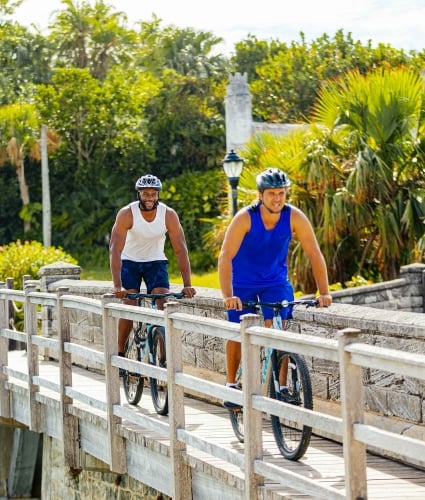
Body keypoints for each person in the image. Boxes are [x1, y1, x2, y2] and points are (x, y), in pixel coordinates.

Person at [218, 167, 332, 407]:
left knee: (278, 330)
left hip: (275, 281)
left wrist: (324, 292)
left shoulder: (294, 217)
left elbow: (314, 253)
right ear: (260, 195)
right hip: (243, 282)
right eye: (272, 193)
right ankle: (230, 384)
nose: (278, 198)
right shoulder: (246, 218)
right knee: (238, 329)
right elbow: (225, 256)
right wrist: (229, 295)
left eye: (282, 193)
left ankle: (281, 387)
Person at [109, 173, 196, 358]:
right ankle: (120, 350)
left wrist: (187, 284)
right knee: (129, 304)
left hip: (156, 262)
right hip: (129, 262)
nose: (149, 198)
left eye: (153, 194)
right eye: (145, 194)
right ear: (138, 194)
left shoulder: (168, 215)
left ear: (158, 195)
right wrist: (118, 285)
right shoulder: (127, 214)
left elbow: (181, 250)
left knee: (163, 302)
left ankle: (165, 358)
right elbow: (115, 250)